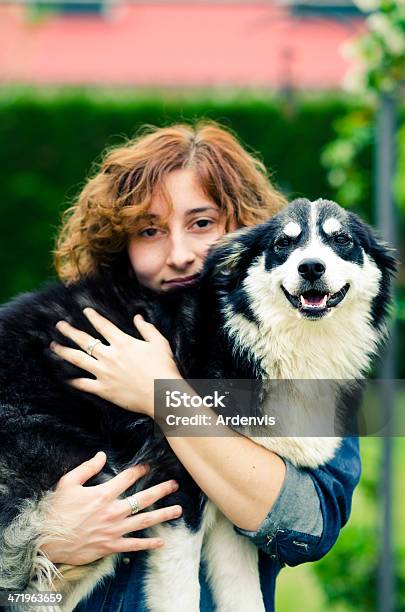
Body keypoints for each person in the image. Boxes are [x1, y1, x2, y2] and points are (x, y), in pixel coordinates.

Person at [2, 122, 361, 612]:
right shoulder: (65, 334)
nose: (179, 255)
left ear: (248, 230)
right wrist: (43, 544)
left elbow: (306, 525)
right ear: (120, 243)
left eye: (202, 223)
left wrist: (164, 394)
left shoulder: (308, 355)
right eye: (149, 230)